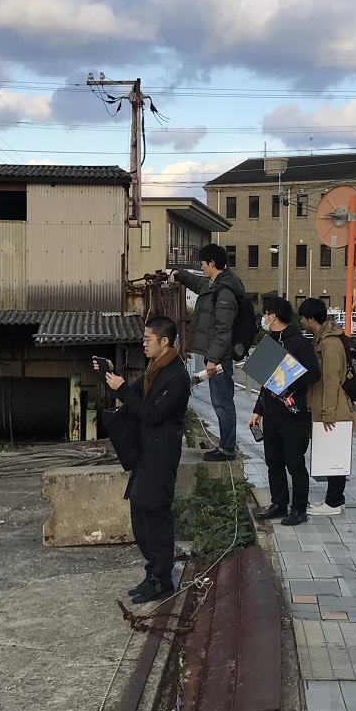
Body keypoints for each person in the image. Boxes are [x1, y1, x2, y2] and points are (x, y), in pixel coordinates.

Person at [100, 316, 190, 605]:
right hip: (144, 454)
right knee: (140, 516)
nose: (144, 343)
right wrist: (113, 375)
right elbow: (137, 392)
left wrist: (123, 390)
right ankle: (152, 573)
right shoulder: (155, 369)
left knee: (156, 519)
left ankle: (162, 580)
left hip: (160, 456)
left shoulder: (176, 376)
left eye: (148, 338)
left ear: (164, 342)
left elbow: (152, 413)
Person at [248, 297, 321, 527]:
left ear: (274, 315)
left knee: (295, 463)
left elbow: (314, 374)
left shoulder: (299, 342)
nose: (264, 318)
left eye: (266, 313)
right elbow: (265, 381)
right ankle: (279, 503)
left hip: (293, 414)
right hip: (271, 414)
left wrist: (289, 382)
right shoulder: (269, 341)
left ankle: (299, 508)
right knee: (273, 462)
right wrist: (258, 410)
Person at [171, 243, 247, 462]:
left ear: (212, 264)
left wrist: (213, 358)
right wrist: (180, 275)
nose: (202, 268)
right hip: (216, 355)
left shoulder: (224, 292)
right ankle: (226, 446)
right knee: (220, 401)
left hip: (220, 357)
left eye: (203, 264)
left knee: (223, 402)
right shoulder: (216, 285)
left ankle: (227, 448)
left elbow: (224, 331)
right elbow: (198, 282)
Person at [297, 297, 356, 516]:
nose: (302, 322)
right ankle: (336, 500)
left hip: (334, 407)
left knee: (333, 456)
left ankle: (332, 503)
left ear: (312, 318)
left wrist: (328, 412)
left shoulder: (329, 343)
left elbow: (331, 379)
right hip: (329, 405)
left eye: (303, 318)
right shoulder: (323, 339)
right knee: (334, 454)